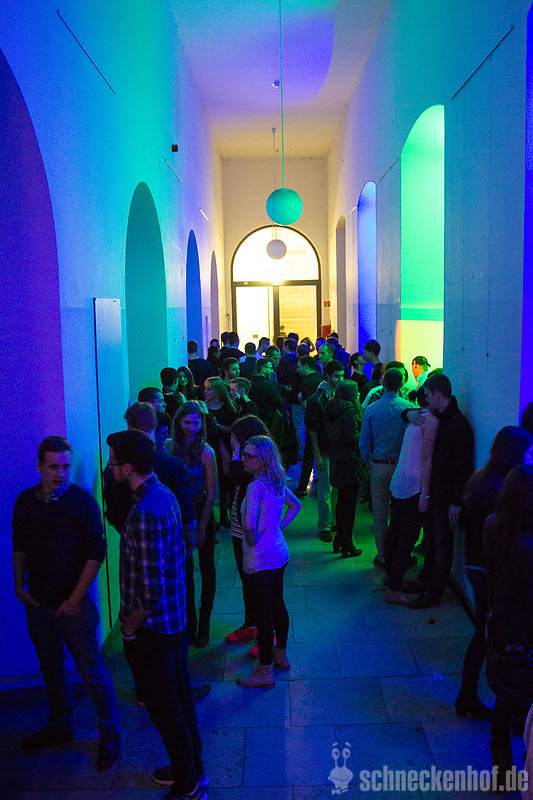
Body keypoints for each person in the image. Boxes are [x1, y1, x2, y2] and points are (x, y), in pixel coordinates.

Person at [107, 429, 207, 800]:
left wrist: (129, 630)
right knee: (180, 701)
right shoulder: (163, 495)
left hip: (154, 632)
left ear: (127, 467)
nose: (110, 468)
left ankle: (187, 785)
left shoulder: (144, 513)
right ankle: (193, 769)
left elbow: (149, 591)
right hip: (174, 623)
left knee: (165, 709)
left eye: (114, 463)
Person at [12, 436, 120, 769]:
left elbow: (96, 553)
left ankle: (110, 732)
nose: (61, 473)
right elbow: (20, 544)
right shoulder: (26, 501)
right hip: (39, 602)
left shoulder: (81, 501)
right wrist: (18, 586)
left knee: (91, 669)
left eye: (65, 466)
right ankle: (59, 725)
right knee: (51, 667)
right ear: (40, 467)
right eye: (54, 467)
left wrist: (74, 599)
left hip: (75, 606)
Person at [454, 426, 533, 720]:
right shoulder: (503, 489)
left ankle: (469, 694)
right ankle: (481, 696)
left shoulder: (481, 479)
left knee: (484, 632)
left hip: (476, 565)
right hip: (491, 571)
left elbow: (467, 525)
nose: (529, 457)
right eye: (527, 452)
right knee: (488, 635)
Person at [236, 436, 301, 688]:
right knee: (278, 605)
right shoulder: (276, 481)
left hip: (262, 558)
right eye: (243, 453)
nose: (243, 459)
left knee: (264, 614)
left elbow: (248, 524)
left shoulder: (256, 486)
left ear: (263, 459)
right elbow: (295, 506)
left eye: (249, 455)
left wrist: (251, 540)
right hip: (279, 553)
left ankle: (264, 672)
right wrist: (278, 528)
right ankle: (280, 656)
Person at [484, 465, 533, 786]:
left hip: (500, 627)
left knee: (504, 699)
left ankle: (502, 769)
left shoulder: (493, 524)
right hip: (523, 636)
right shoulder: (527, 546)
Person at [409, 372, 474, 608]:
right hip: (437, 492)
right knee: (433, 541)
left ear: (437, 394)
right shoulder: (446, 418)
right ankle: (427, 581)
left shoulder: (457, 425)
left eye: (427, 394)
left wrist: (456, 501)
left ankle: (433, 592)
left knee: (441, 543)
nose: (425, 399)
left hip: (445, 495)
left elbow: (462, 467)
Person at [382, 404, 439, 604]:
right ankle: (394, 588)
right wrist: (425, 494)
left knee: (394, 531)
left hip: (399, 480)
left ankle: (390, 575)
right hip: (413, 485)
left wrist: (408, 413)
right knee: (408, 537)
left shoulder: (416, 416)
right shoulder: (430, 420)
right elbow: (426, 458)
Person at [172, 401, 217, 648]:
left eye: (196, 423)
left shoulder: (206, 452)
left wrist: (201, 527)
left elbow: (211, 493)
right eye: (187, 422)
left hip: (201, 513)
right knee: (184, 570)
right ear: (178, 422)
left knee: (207, 568)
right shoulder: (170, 448)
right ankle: (190, 622)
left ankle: (205, 620)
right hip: (178, 516)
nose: (192, 427)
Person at [359, 368, 414, 566]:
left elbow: (364, 442)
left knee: (380, 513)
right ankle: (400, 554)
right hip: (403, 467)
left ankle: (382, 554)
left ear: (383, 383)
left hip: (380, 465)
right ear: (401, 384)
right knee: (402, 514)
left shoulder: (372, 409)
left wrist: (367, 462)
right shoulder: (409, 408)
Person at [224, 415, 270, 645]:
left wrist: (235, 452)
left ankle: (266, 633)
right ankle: (251, 625)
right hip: (239, 528)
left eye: (235, 438)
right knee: (247, 579)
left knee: (257, 582)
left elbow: (234, 476)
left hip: (250, 531)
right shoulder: (250, 462)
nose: (231, 441)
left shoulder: (257, 466)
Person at [305, 359, 345, 542]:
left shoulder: (332, 395)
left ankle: (332, 522)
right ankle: (325, 526)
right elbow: (312, 429)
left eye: (342, 376)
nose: (340, 379)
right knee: (326, 491)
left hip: (335, 450)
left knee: (333, 490)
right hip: (327, 450)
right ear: (328, 376)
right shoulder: (318, 399)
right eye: (337, 376)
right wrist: (317, 454)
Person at [326, 381, 365, 557]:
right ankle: (347, 543)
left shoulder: (332, 408)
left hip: (337, 460)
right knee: (350, 505)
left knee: (342, 501)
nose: (358, 394)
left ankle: (339, 539)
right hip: (350, 461)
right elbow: (353, 438)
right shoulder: (349, 410)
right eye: (356, 391)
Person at [204, 376, 239, 528]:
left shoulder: (228, 408)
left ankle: (225, 515)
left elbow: (235, 428)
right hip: (209, 447)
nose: (205, 392)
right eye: (205, 388)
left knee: (225, 480)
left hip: (225, 447)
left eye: (209, 389)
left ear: (217, 391)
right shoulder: (204, 408)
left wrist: (219, 427)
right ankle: (210, 517)